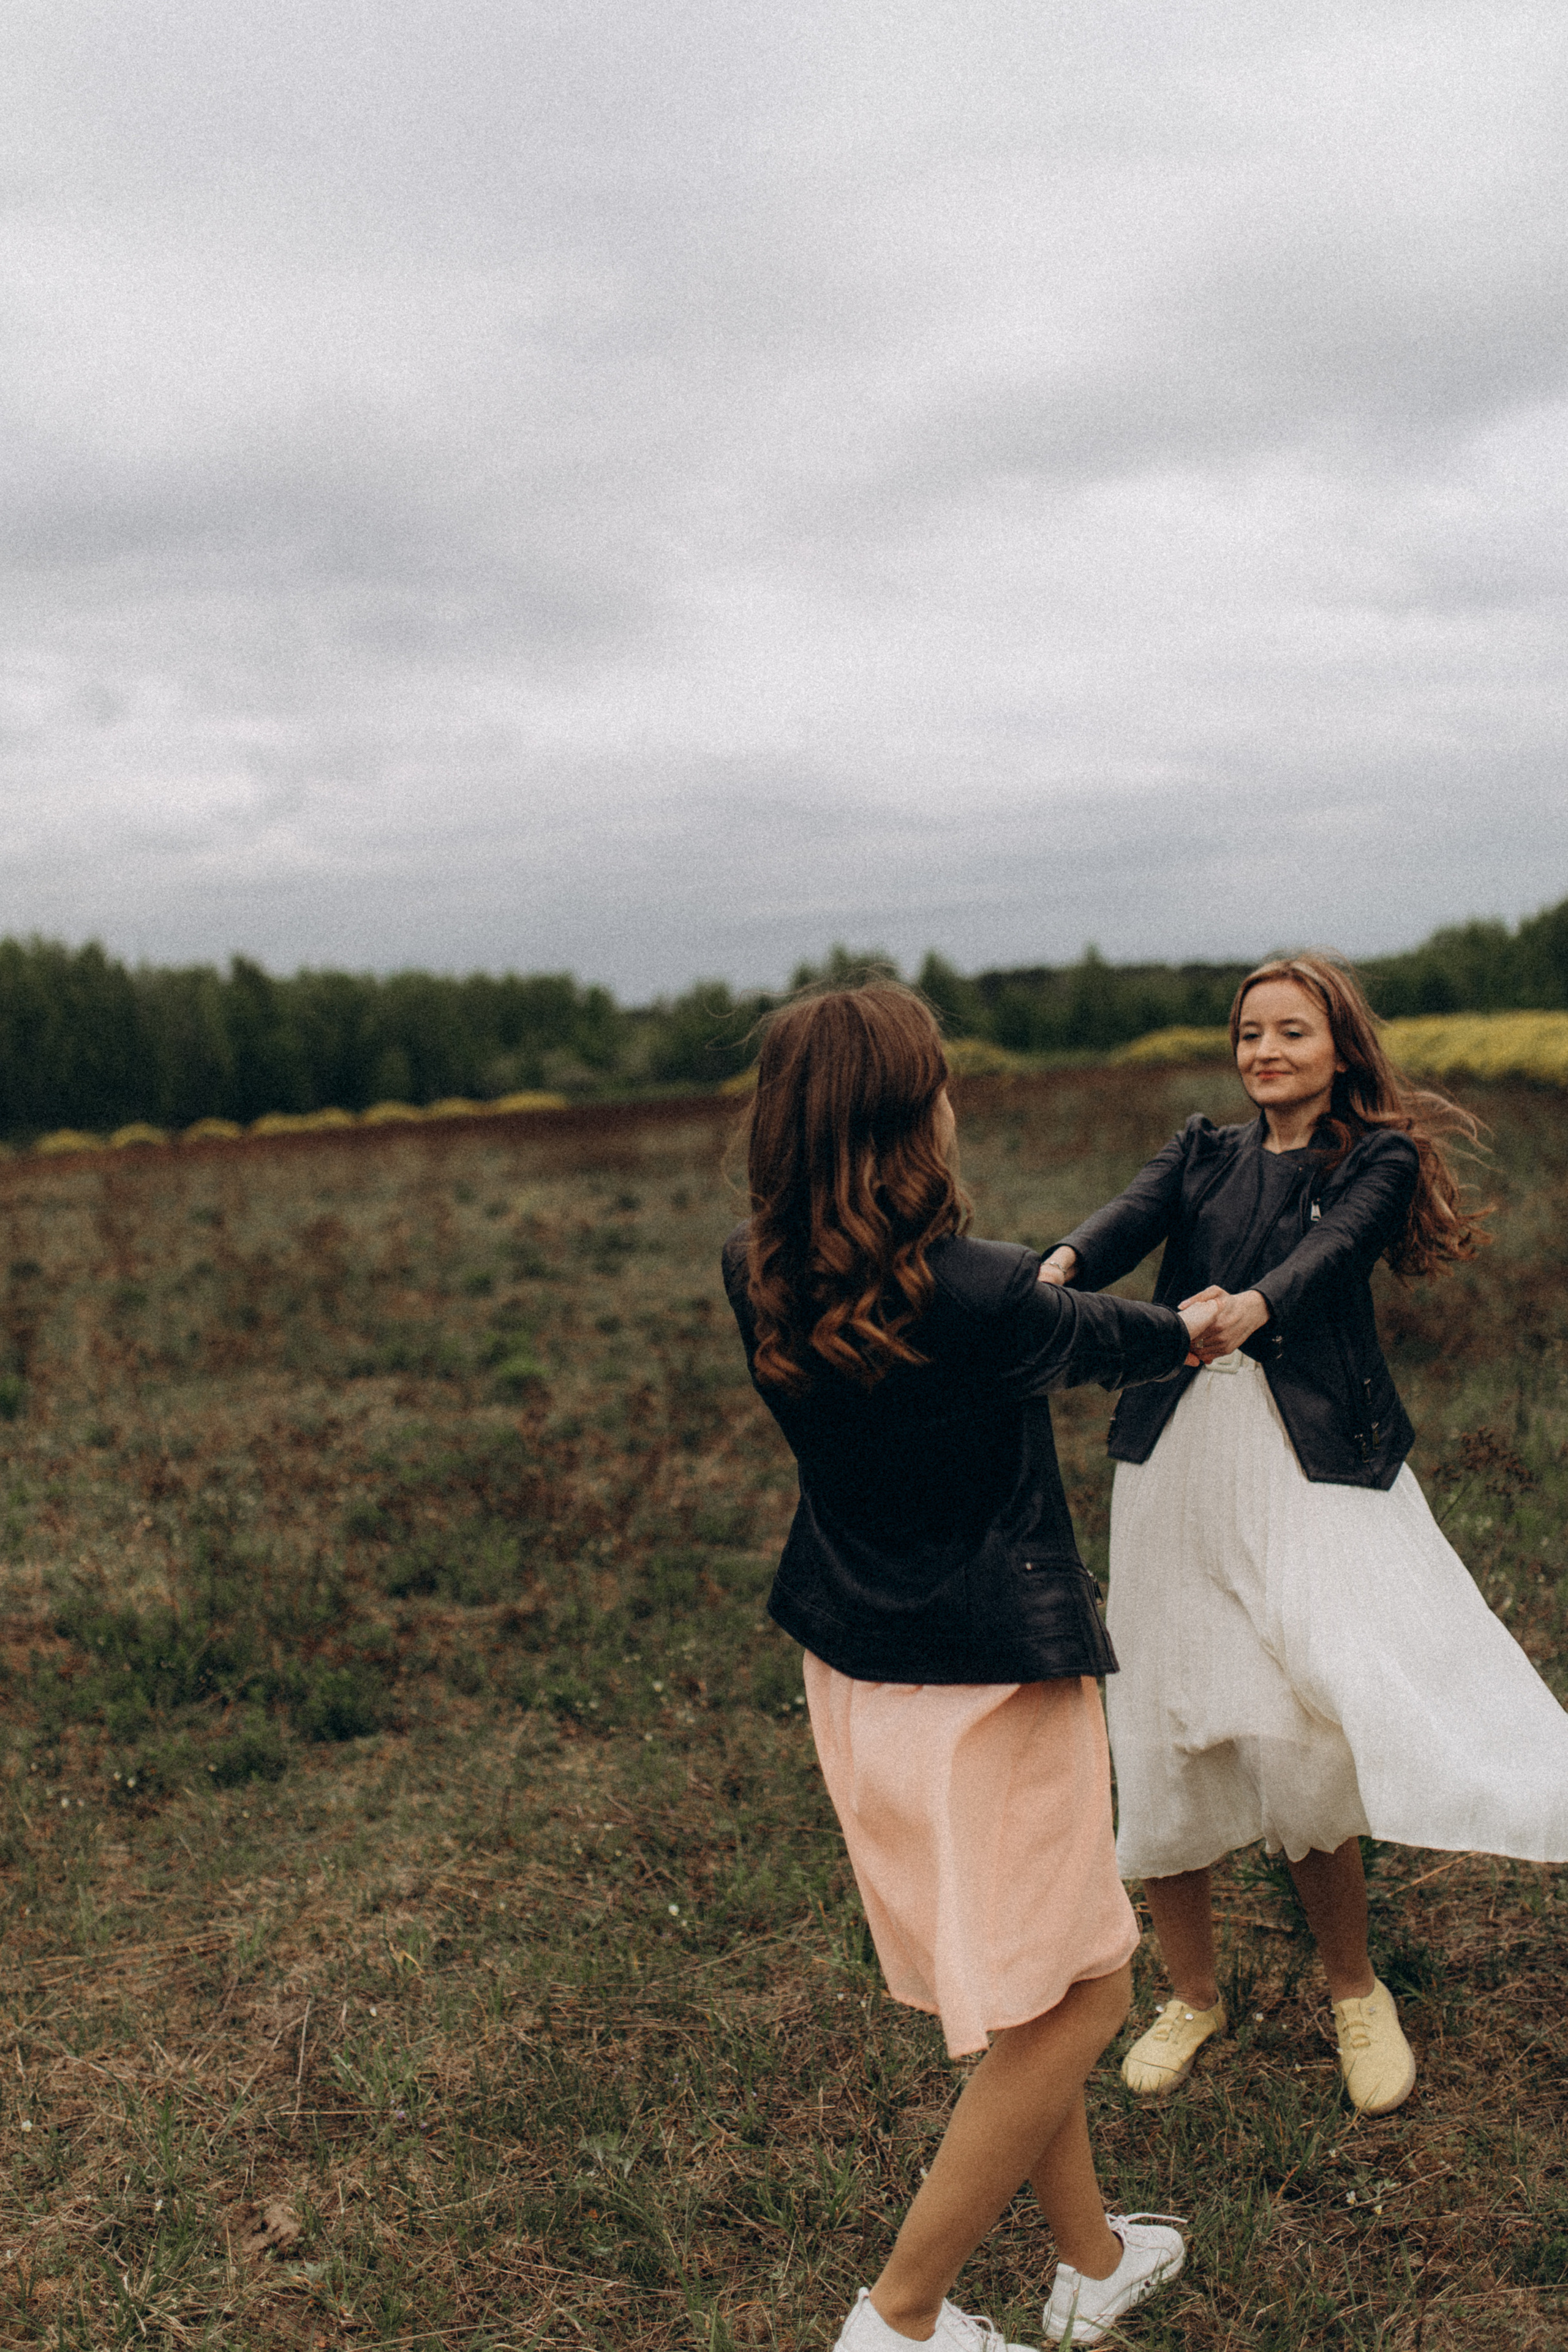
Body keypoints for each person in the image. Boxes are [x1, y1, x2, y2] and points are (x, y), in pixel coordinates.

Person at [723, 984, 1219, 2352]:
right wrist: (1197, 1323)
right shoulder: (987, 1291)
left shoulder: (753, 1267)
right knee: (1088, 1991)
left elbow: (1020, 1322)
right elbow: (1114, 1340)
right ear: (910, 1116)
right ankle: (899, 2320)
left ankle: (1091, 2261)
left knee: (1024, 1981)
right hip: (990, 1687)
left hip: (855, 1673)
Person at [1041, 952, 1568, 2116]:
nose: (1267, 1052)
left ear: (1339, 1048)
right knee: (1164, 1723)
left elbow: (1331, 1256)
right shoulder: (1201, 1150)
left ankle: (1355, 1991)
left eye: (1291, 1031)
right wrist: (1063, 1266)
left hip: (1305, 1465)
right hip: (1174, 1465)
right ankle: (1192, 1995)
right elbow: (1129, 1218)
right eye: (1250, 1034)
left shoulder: (1375, 1157)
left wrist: (1252, 1307)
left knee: (1301, 1734)